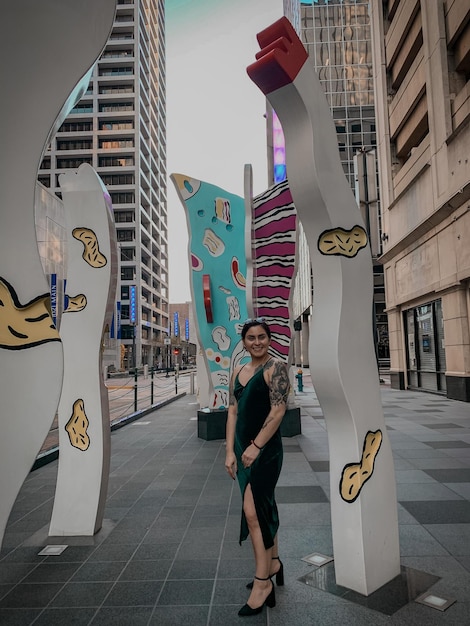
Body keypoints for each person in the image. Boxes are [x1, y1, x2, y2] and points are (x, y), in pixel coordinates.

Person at [225, 318, 289, 617]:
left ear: (269, 339)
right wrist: (230, 451)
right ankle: (274, 562)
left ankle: (262, 582)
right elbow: (233, 411)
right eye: (251, 338)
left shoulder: (276, 368)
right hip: (242, 450)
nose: (257, 342)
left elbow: (278, 411)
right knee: (263, 507)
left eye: (262, 337)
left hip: (265, 452)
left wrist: (257, 446)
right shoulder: (238, 370)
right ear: (244, 341)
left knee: (252, 513)